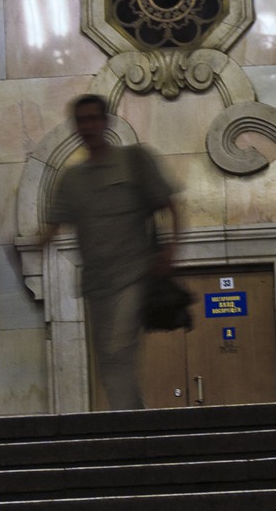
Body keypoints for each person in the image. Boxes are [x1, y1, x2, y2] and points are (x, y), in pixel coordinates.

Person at [43, 94, 180, 410]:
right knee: (109, 356)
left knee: (119, 347)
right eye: (81, 120)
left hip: (135, 275)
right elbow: (51, 227)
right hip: (97, 284)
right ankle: (133, 419)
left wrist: (172, 249)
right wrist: (28, 245)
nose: (88, 126)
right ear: (75, 127)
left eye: (93, 119)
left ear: (106, 123)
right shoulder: (72, 180)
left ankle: (129, 427)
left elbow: (170, 204)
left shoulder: (134, 161)